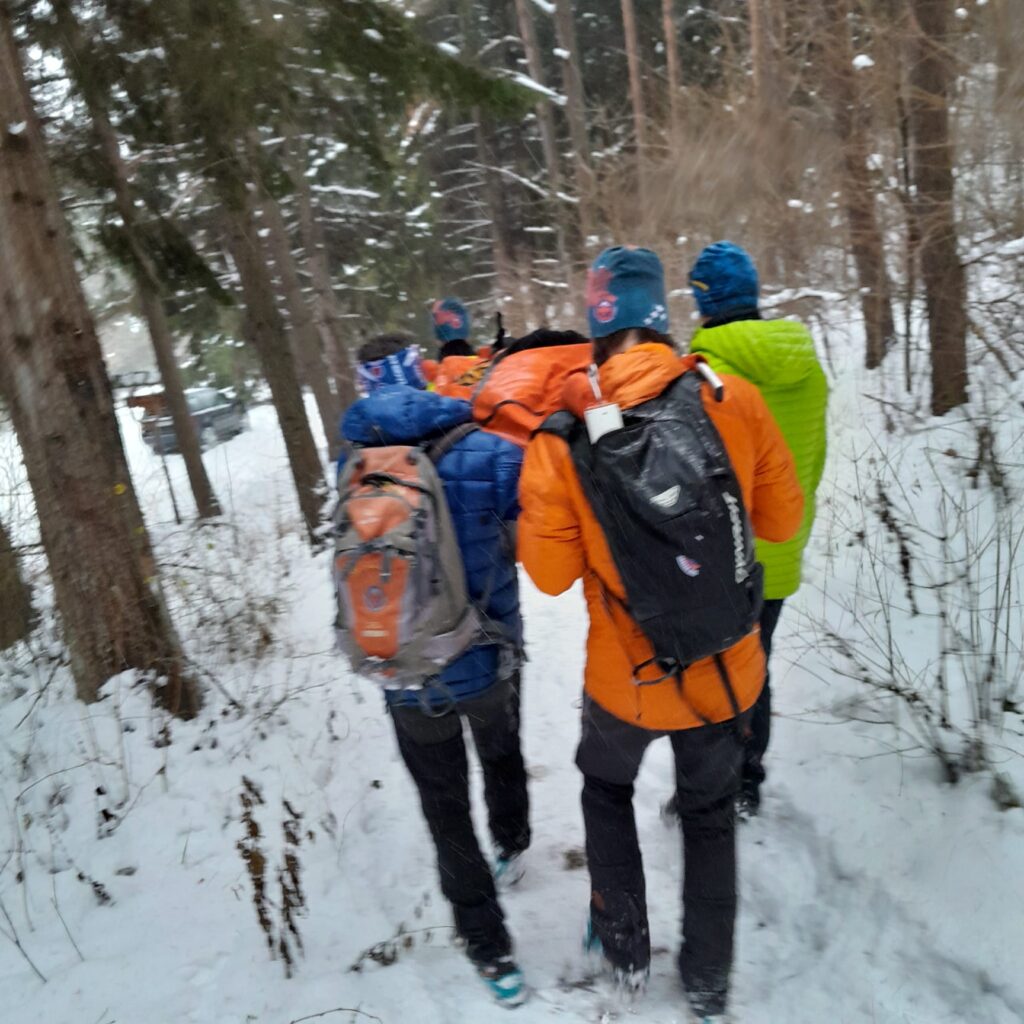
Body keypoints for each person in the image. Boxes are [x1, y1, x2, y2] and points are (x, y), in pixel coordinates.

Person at [517, 247, 803, 1022]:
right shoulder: (730, 396)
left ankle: (626, 960)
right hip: (724, 664)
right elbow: (782, 520)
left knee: (606, 794)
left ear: (597, 324)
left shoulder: (560, 438)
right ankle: (709, 983)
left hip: (625, 681)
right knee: (710, 816)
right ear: (662, 318)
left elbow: (545, 576)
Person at [340, 333, 530, 1006]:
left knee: (443, 809)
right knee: (502, 747)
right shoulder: (486, 448)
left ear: (364, 382)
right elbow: (533, 535)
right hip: (487, 651)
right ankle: (512, 839)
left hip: (405, 673)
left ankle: (492, 953)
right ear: (420, 374)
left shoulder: (354, 462)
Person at [687, 241, 828, 814]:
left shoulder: (703, 372)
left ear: (706, 302)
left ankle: (714, 784)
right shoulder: (806, 363)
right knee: (756, 661)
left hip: (727, 554)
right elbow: (813, 458)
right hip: (785, 542)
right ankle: (748, 776)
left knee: (716, 666)